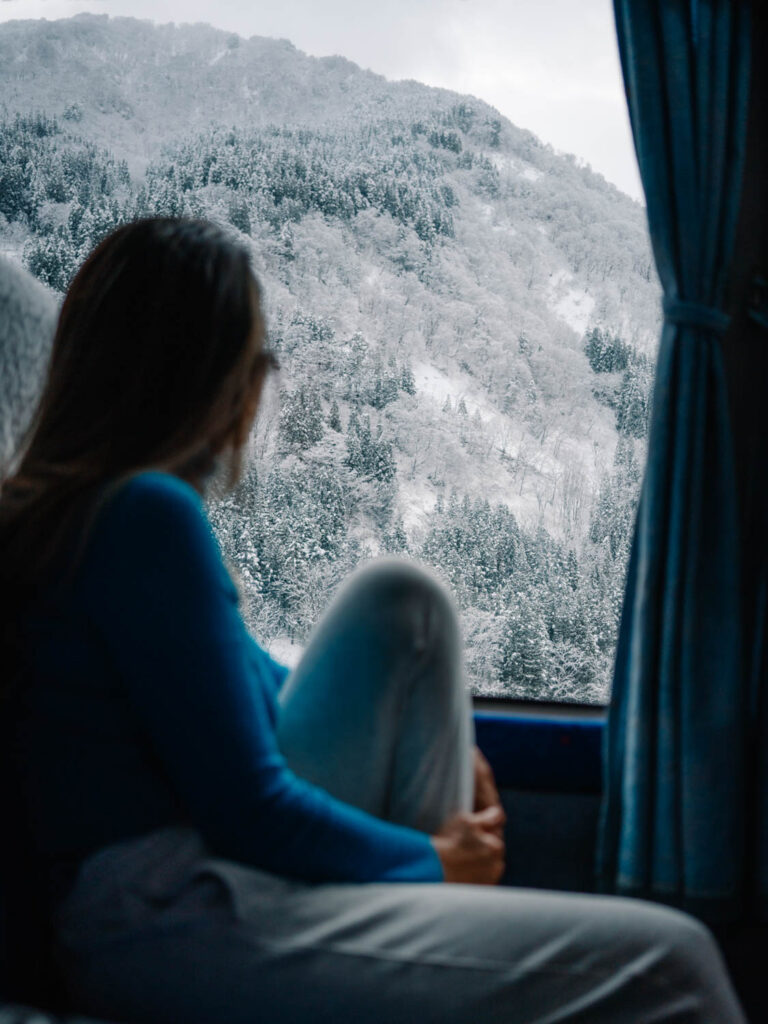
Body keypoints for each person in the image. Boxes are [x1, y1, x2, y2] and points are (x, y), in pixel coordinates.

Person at [0, 218, 745, 1023]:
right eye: (255, 360)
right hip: (169, 912)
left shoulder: (91, 514)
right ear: (210, 377)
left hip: (163, 893)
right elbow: (250, 811)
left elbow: (236, 691)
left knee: (403, 603)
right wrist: (435, 861)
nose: (261, 384)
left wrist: (460, 751)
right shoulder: (145, 514)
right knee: (673, 962)